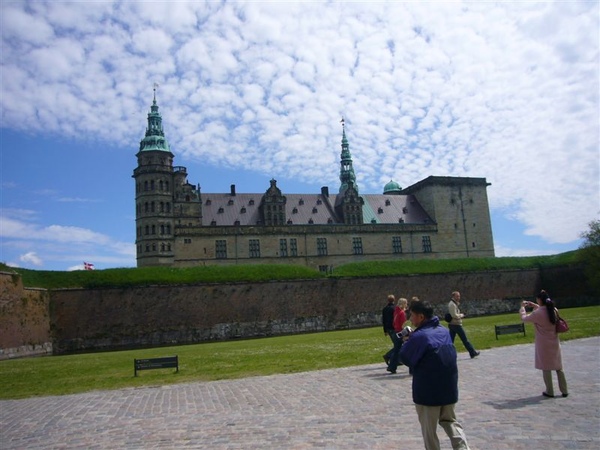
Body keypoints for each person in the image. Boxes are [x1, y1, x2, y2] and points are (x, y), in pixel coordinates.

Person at [400, 299, 471, 450]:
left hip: (428, 391)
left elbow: (405, 357)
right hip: (449, 387)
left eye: (412, 315)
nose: (410, 319)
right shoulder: (444, 331)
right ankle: (462, 447)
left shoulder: (420, 337)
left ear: (420, 317)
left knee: (429, 431)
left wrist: (407, 341)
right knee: (450, 421)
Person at [520, 290, 569, 398]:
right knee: (558, 367)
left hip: (543, 344)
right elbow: (546, 311)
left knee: (546, 367)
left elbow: (525, 318)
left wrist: (522, 308)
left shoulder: (538, 313)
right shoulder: (554, 310)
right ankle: (564, 390)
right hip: (555, 341)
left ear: (540, 300)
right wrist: (536, 306)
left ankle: (550, 391)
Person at [447, 291, 480, 359]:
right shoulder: (452, 304)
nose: (459, 297)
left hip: (453, 324)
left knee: (450, 341)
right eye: (457, 296)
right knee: (465, 339)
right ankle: (472, 352)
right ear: (453, 296)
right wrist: (461, 315)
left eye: (459, 296)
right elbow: (454, 315)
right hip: (456, 325)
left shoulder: (454, 304)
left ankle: (447, 354)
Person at [386, 297, 408, 373]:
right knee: (400, 349)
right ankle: (392, 365)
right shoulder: (402, 313)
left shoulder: (396, 311)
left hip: (396, 331)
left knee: (396, 350)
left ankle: (392, 365)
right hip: (401, 332)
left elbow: (394, 322)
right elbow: (404, 325)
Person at [382, 294, 398, 365]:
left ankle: (395, 359)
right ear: (394, 300)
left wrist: (385, 330)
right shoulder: (394, 309)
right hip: (394, 328)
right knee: (398, 345)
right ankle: (388, 356)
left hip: (388, 328)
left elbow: (384, 320)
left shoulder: (385, 309)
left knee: (397, 344)